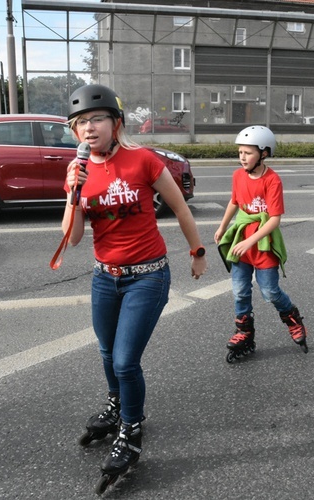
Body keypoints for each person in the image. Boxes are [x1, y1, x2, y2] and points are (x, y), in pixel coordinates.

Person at [61, 84, 207, 482]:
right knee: (107, 352)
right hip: (104, 278)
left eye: (96, 120)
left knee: (125, 360)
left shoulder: (142, 160)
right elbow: (73, 237)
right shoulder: (78, 172)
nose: (88, 129)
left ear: (116, 123)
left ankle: (131, 430)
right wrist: (73, 192)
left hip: (148, 276)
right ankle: (116, 405)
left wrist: (197, 252)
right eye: (80, 124)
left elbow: (179, 206)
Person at [214, 125, 308, 361]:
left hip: (262, 242)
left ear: (264, 153)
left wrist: (251, 242)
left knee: (270, 291)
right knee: (239, 292)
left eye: (248, 152)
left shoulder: (272, 180)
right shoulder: (237, 176)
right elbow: (234, 202)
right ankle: (244, 332)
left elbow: (274, 219)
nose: (242, 157)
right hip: (241, 240)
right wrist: (222, 226)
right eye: (240, 152)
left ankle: (292, 317)